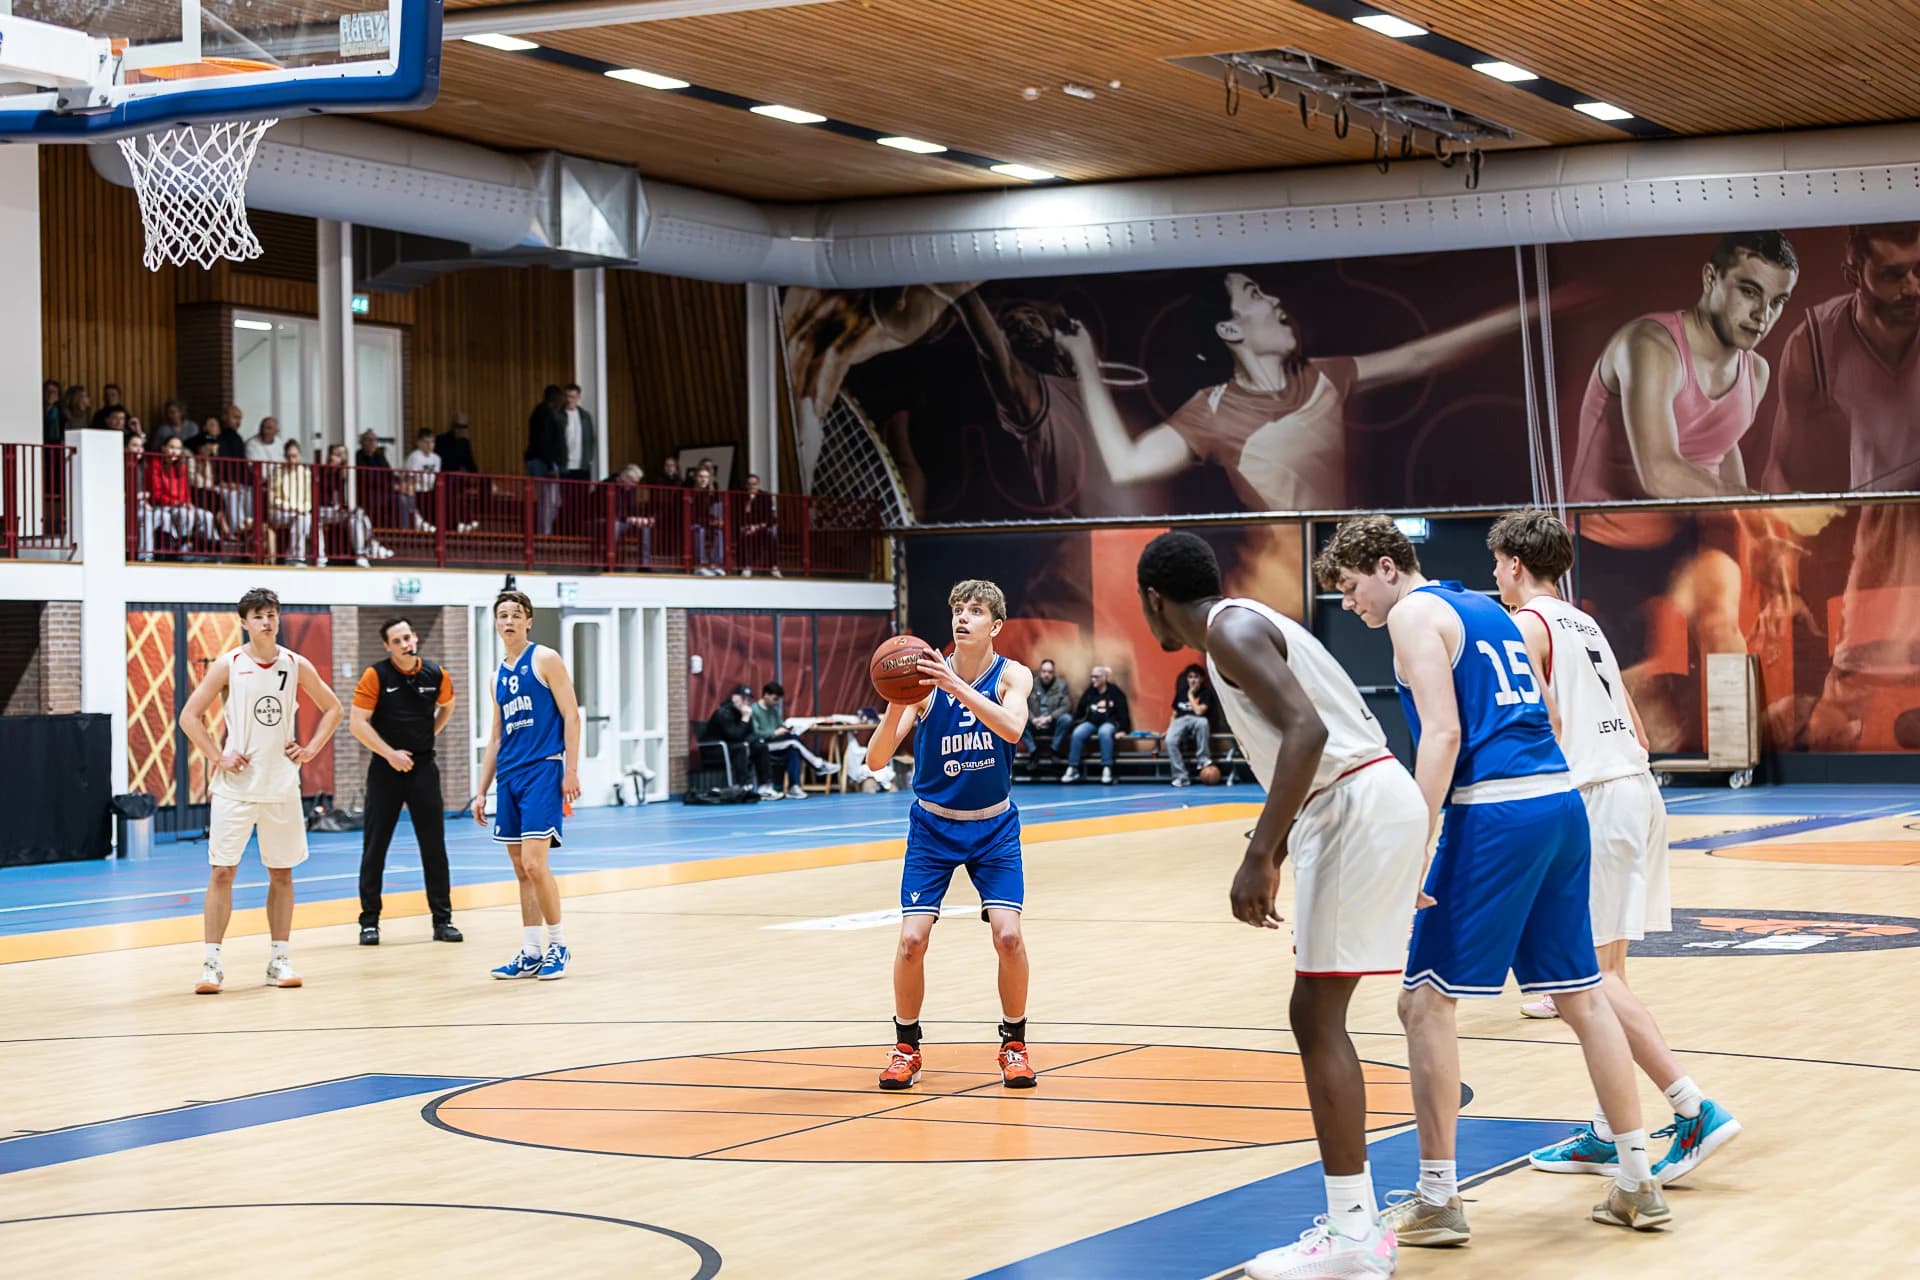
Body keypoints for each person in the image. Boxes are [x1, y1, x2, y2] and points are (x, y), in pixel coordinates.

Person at [1315, 514, 1673, 1241]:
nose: (1350, 604)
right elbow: (1548, 712)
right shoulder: (1487, 609)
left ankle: (1438, 1198)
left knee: (1423, 1003)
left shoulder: (1413, 614)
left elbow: (1444, 734)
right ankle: (1638, 1182)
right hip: (1559, 803)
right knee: (1583, 994)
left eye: (1351, 588)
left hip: (1496, 813)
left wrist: (1411, 844)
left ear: (1387, 567)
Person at [1138, 531, 1424, 1278]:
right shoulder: (1244, 623)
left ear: (1153, 601)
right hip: (1365, 796)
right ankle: (1360, 1221)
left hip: (1354, 801)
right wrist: (1281, 845)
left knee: (1316, 1015)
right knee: (1316, 1011)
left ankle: (1354, 1235)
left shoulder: (1229, 632)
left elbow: (1309, 732)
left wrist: (1260, 852)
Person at [1486, 510, 1742, 1187]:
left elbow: (1545, 721)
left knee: (1591, 980)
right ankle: (1609, 1128)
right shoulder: (1584, 623)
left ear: (1515, 563)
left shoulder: (1524, 625)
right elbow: (1638, 727)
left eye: (1497, 564)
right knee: (1608, 975)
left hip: (1595, 797)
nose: (1495, 576)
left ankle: (1693, 1109)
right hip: (1636, 788)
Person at [1566, 231, 1800, 749]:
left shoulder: (1756, 373)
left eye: (1777, 301)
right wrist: (1760, 508)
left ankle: (1743, 761)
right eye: (1749, 291)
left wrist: (1761, 534)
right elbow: (1660, 472)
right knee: (1657, 730)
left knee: (1722, 626)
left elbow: (1722, 446)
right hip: (1607, 545)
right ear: (1711, 278)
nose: (1762, 314)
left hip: (1687, 535)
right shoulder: (1649, 345)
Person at [1066, 272, 1535, 512]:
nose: (1274, 301)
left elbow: (1420, 357)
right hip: (1282, 575)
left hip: (1347, 558)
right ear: (1230, 328)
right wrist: (1085, 361)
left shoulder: (1325, 376)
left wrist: (1534, 311)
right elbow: (1126, 465)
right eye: (1254, 294)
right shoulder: (1211, 410)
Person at [863, 580, 1037, 1091]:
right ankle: (906, 1048)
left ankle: (1014, 1044)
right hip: (933, 827)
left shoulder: (1013, 675)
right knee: (911, 941)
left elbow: (1012, 730)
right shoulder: (924, 679)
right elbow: (875, 760)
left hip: (993, 826)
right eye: (958, 609)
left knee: (1009, 936)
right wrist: (898, 701)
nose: (963, 617)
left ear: (996, 625)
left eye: (976, 611)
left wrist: (954, 686)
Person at [1765, 222, 1920, 751]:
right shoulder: (1814, 343)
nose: (1912, 286)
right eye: (1893, 274)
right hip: (1871, 542)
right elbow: (1780, 476)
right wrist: (1781, 575)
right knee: (1848, 709)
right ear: (1854, 272)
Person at [176, 588, 343, 994]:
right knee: (222, 871)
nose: (267, 622)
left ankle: (279, 960)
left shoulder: (295, 663)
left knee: (281, 873)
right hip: (236, 788)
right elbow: (189, 716)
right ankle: (211, 964)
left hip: (281, 785)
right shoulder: (229, 664)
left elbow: (334, 708)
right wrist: (217, 756)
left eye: (272, 614)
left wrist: (309, 749)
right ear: (244, 622)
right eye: (258, 616)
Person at [474, 589, 583, 981]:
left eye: (516, 615)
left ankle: (558, 945)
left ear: (528, 621)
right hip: (509, 776)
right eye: (503, 615)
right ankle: (531, 951)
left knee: (536, 864)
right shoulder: (496, 677)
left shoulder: (545, 659)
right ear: (496, 622)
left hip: (542, 770)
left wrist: (571, 770)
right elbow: (496, 738)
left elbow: (571, 715)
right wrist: (481, 790)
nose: (509, 621)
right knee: (521, 869)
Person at [351, 617, 462, 946]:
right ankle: (369, 922)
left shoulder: (436, 674)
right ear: (387, 646)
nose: (404, 644)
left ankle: (443, 921)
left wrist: (429, 735)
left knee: (434, 847)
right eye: (396, 641)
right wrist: (390, 754)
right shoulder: (376, 675)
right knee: (375, 847)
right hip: (385, 770)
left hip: (423, 769)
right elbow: (358, 723)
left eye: (407, 638)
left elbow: (447, 707)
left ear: (415, 638)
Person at [751, 682, 838, 798]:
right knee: (794, 741)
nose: (776, 703)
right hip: (763, 745)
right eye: (775, 699)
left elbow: (780, 725)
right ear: (766, 695)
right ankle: (818, 764)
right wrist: (774, 733)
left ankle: (794, 786)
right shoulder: (754, 710)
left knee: (794, 748)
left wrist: (786, 729)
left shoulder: (773, 710)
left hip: (779, 743)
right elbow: (755, 734)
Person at [704, 684, 774, 796]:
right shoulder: (723, 713)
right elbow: (734, 736)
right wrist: (745, 718)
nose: (747, 702)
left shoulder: (744, 712)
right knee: (740, 747)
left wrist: (747, 742)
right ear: (734, 698)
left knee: (760, 745)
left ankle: (765, 785)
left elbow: (752, 734)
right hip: (716, 749)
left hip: (736, 746)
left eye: (748, 700)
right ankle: (743, 785)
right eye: (744, 699)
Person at [1063, 665, 1129, 784]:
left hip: (1109, 722)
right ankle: (1073, 768)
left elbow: (1123, 712)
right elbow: (1080, 710)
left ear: (1105, 677)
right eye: (1092, 677)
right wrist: (1074, 724)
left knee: (1104, 732)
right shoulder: (1090, 692)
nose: (1093, 679)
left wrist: (1123, 730)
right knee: (1077, 733)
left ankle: (1106, 768)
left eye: (1096, 677)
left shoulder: (1115, 692)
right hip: (1091, 723)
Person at [1164, 663, 1218, 787]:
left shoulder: (1206, 693)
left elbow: (1199, 711)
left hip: (1196, 719)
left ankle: (1203, 760)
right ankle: (1181, 776)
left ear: (1201, 679)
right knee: (1169, 741)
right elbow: (1174, 714)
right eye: (1190, 677)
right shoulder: (1180, 693)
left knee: (1203, 722)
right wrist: (1169, 729)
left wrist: (1190, 695)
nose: (1193, 680)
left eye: (1196, 677)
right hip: (1180, 720)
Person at [524, 385, 568, 535]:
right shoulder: (545, 414)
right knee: (549, 501)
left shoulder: (541, 412)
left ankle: (545, 531)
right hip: (543, 462)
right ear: (555, 398)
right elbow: (543, 443)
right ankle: (545, 533)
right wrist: (550, 466)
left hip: (541, 460)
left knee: (551, 501)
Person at [1018, 657, 1073, 773]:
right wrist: (1033, 719)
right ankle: (1033, 752)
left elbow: (1066, 706)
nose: (1047, 675)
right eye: (1044, 671)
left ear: (1054, 673)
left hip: (1052, 722)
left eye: (1050, 672)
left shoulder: (1061, 685)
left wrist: (1050, 718)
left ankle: (1054, 750)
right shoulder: (1031, 684)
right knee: (1017, 721)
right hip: (1035, 722)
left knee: (1067, 719)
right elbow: (1023, 704)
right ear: (1040, 672)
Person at [435, 413, 481, 533]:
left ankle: (471, 519)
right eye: (459, 426)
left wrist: (478, 477)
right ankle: (460, 522)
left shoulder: (464, 443)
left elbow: (470, 463)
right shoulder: (441, 440)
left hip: (458, 478)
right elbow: (440, 462)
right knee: (453, 490)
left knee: (484, 483)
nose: (462, 430)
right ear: (453, 426)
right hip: (444, 477)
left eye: (465, 427)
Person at [737, 473, 780, 577]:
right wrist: (749, 526)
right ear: (746, 485)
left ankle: (774, 567)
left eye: (754, 484)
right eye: (749, 484)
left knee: (772, 534)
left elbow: (771, 517)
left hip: (763, 526)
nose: (752, 486)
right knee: (744, 534)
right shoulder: (741, 497)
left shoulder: (765, 496)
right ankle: (747, 567)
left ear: (758, 484)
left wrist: (758, 526)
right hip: (748, 526)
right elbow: (738, 515)